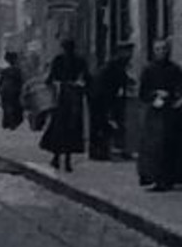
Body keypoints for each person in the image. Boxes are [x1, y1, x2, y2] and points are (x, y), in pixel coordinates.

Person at [137, 39, 182, 191]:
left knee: (172, 146)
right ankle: (156, 179)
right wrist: (155, 95)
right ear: (154, 51)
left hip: (171, 113)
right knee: (154, 147)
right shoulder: (148, 70)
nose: (161, 52)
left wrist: (179, 99)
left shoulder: (175, 69)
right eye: (158, 49)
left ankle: (170, 178)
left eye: (164, 49)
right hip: (155, 114)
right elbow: (142, 93)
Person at [40, 38, 89, 172]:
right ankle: (67, 160)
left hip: (61, 96)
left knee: (59, 127)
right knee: (72, 128)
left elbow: (49, 79)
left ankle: (56, 157)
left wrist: (50, 85)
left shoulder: (58, 60)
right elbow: (86, 78)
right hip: (74, 97)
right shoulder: (80, 61)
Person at [90, 42, 136, 161]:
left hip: (104, 97)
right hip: (101, 97)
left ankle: (101, 150)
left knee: (103, 124)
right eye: (128, 52)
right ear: (121, 52)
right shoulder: (116, 64)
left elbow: (124, 79)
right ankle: (100, 151)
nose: (130, 55)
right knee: (102, 124)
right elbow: (120, 79)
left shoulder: (117, 63)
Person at [0, 51, 25, 130]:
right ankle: (13, 122)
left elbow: (0, 82)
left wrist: (0, 90)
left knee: (7, 107)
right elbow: (21, 81)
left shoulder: (5, 71)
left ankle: (6, 122)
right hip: (14, 90)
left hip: (5, 90)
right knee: (14, 106)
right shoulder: (18, 70)